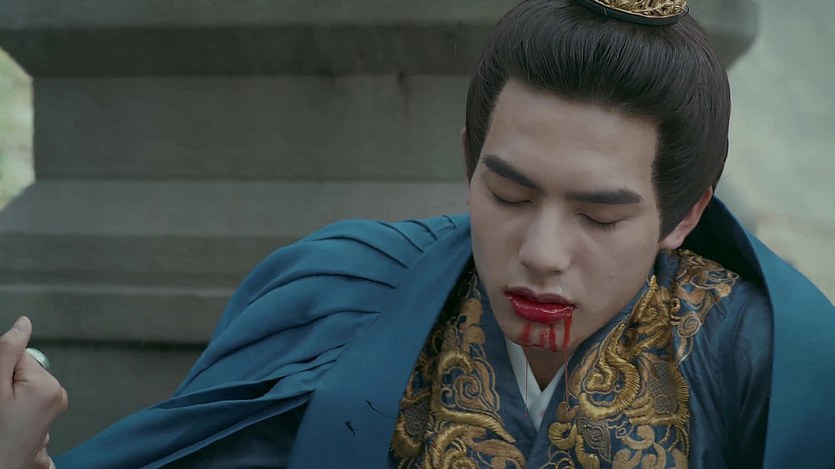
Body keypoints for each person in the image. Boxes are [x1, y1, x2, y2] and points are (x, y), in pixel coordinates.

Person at [4, 0, 834, 467]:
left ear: (684, 215)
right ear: (469, 161)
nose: (541, 253)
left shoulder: (752, 356)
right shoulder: (342, 301)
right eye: (508, 194)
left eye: (599, 216)